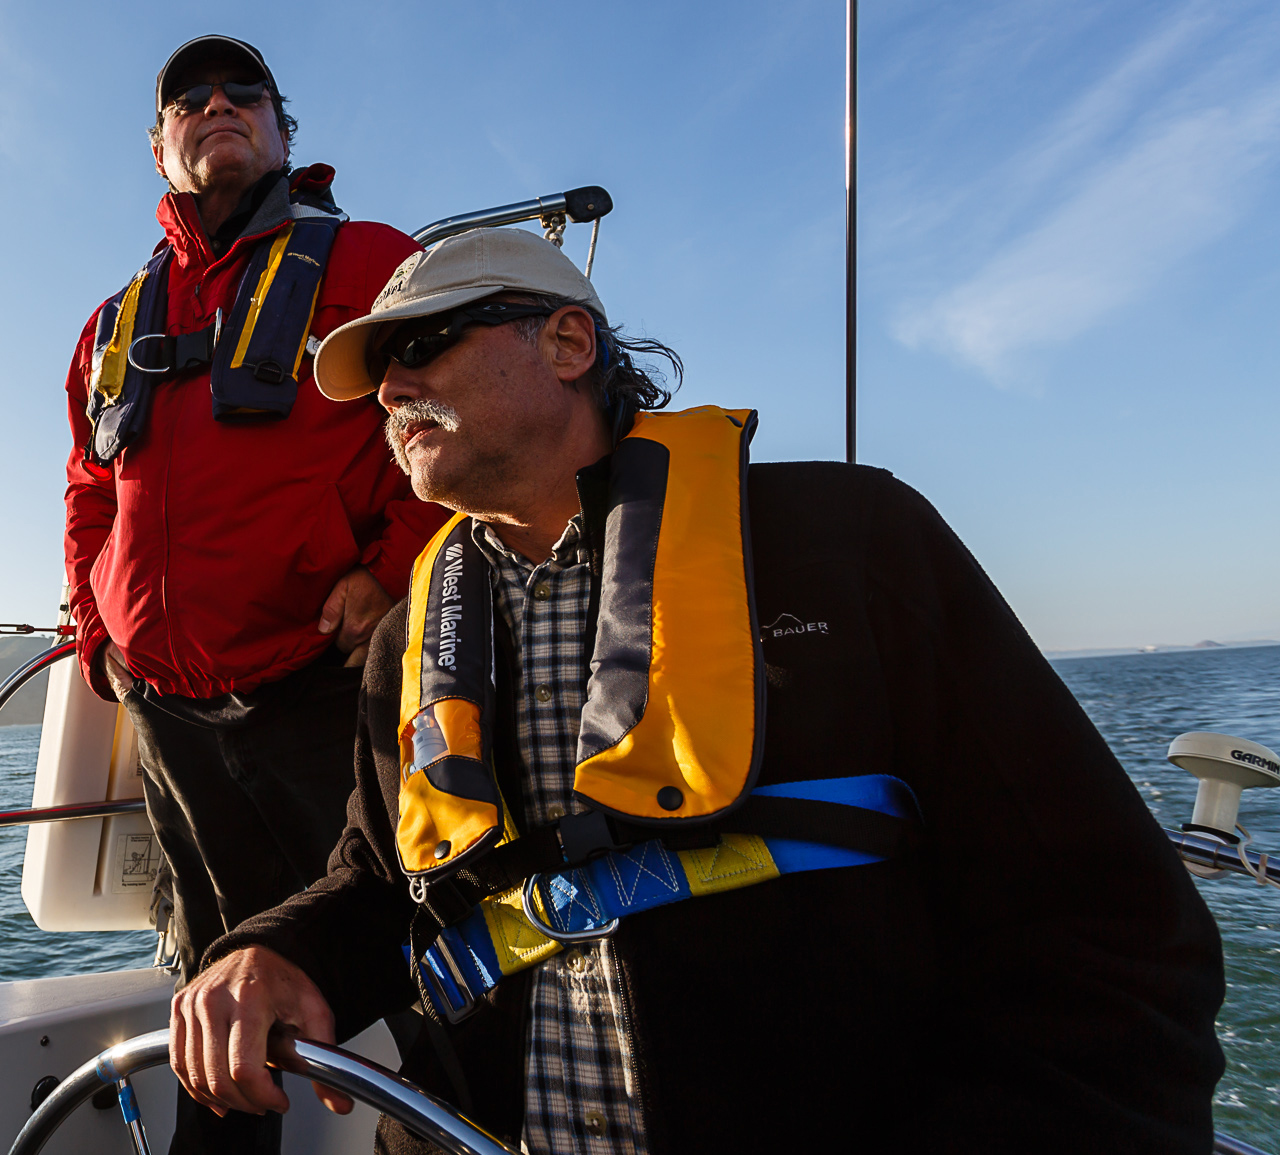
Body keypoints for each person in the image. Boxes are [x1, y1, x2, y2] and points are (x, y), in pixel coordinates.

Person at [167, 226, 1227, 1154]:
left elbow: (1113, 935)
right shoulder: (408, 637)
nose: (392, 390)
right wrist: (274, 950)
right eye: (380, 375)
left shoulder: (850, 543)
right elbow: (377, 881)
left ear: (569, 343)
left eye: (421, 346)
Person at [59, 35, 447, 1154]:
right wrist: (100, 638)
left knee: (423, 958)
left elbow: (446, 419)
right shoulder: (111, 324)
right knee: (216, 984)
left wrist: (396, 568)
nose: (216, 105)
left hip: (335, 692)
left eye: (245, 93)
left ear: (284, 129)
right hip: (170, 712)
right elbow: (89, 490)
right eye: (190, 97)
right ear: (159, 145)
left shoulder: (374, 262)